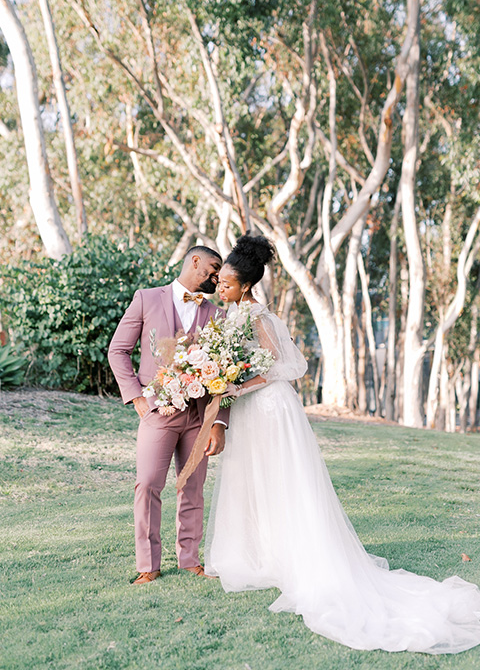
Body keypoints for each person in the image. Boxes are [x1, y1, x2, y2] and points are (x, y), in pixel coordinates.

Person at [205, 233, 480, 654]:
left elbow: (290, 365)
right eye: (219, 281)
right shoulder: (228, 317)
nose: (218, 287)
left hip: (271, 409)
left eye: (225, 282)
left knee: (282, 482)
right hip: (247, 410)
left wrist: (238, 387)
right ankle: (261, 553)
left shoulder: (261, 317)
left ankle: (296, 555)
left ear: (245, 285)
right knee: (252, 480)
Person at [108, 246, 229, 585]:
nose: (217, 277)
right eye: (213, 267)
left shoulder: (217, 316)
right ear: (195, 262)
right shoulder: (147, 298)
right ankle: (149, 564)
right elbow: (117, 350)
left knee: (192, 486)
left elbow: (226, 373)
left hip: (200, 414)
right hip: (158, 411)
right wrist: (135, 398)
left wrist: (219, 422)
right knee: (147, 483)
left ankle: (190, 559)